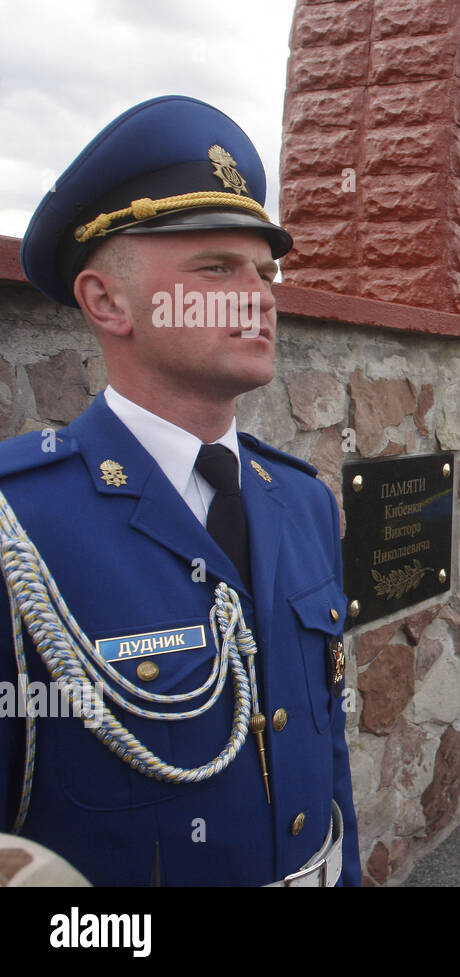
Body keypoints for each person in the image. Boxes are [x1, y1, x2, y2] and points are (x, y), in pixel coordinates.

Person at [1, 96, 360, 885]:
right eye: (216, 268)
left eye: (265, 272)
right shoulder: (18, 528)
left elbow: (326, 754)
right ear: (106, 301)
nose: (261, 294)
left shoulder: (302, 501)